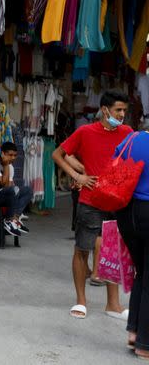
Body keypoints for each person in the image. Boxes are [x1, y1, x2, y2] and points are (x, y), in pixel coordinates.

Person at [52, 90, 131, 320]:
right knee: (82, 249)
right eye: (118, 110)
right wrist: (78, 177)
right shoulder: (85, 132)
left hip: (117, 202)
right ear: (105, 110)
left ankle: (113, 305)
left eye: (124, 110)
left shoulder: (127, 133)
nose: (123, 114)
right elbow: (58, 154)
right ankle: (81, 301)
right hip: (90, 200)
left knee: (113, 252)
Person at [113, 130, 149, 356]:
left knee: (141, 271)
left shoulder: (134, 138)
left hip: (126, 211)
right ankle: (145, 344)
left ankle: (133, 334)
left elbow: (115, 162)